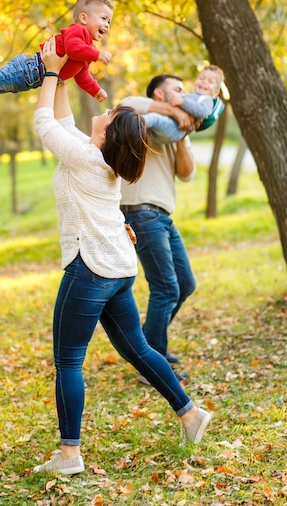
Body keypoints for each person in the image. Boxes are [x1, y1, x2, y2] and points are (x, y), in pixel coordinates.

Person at [32, 38, 211, 475]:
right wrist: (67, 68)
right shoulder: (94, 156)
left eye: (111, 116)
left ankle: (70, 456)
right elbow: (62, 118)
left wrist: (50, 72)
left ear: (108, 133)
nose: (106, 113)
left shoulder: (84, 158)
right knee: (139, 349)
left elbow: (43, 121)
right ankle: (190, 415)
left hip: (90, 270)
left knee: (68, 361)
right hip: (117, 271)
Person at [120, 73, 198, 383]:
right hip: (140, 212)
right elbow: (127, 104)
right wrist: (175, 112)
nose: (184, 95)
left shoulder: (177, 125)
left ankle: (151, 349)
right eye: (177, 89)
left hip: (162, 215)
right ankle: (151, 364)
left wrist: (181, 133)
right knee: (166, 289)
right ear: (160, 94)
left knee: (185, 284)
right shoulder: (138, 115)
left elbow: (187, 173)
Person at [143, 65, 225, 144]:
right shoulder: (190, 96)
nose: (204, 82)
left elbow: (203, 112)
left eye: (210, 82)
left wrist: (182, 102)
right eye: (201, 78)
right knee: (149, 125)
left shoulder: (207, 99)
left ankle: (135, 123)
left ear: (216, 92)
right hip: (168, 127)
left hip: (175, 129)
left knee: (154, 118)